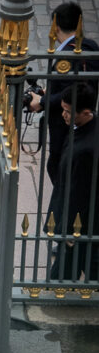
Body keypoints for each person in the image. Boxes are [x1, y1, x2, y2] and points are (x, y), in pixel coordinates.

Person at [28, 1, 99, 184]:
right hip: (86, 122)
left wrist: (42, 102)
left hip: (64, 124)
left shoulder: (65, 57)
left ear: (56, 27)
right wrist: (47, 91)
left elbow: (69, 92)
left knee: (57, 166)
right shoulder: (90, 46)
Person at [50, 83, 99, 281]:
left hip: (80, 223)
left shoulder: (87, 150)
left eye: (68, 112)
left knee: (64, 274)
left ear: (86, 112)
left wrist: (69, 230)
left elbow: (79, 194)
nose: (63, 115)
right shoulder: (85, 125)